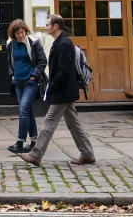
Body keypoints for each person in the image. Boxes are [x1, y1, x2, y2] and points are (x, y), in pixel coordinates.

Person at [17, 14, 95, 166]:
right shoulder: (59, 42)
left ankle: (35, 154)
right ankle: (88, 154)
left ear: (55, 27)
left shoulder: (64, 43)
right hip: (64, 90)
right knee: (74, 124)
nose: (46, 27)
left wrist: (52, 87)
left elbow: (64, 71)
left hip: (63, 91)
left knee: (49, 122)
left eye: (47, 25)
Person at [5, 19, 47, 154]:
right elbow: (9, 63)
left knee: (23, 110)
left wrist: (34, 76)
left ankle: (19, 142)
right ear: (13, 34)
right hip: (18, 83)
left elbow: (42, 61)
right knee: (27, 111)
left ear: (26, 31)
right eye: (18, 33)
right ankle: (34, 142)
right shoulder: (11, 45)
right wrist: (12, 75)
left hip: (30, 83)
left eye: (22, 32)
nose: (21, 36)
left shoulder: (33, 43)